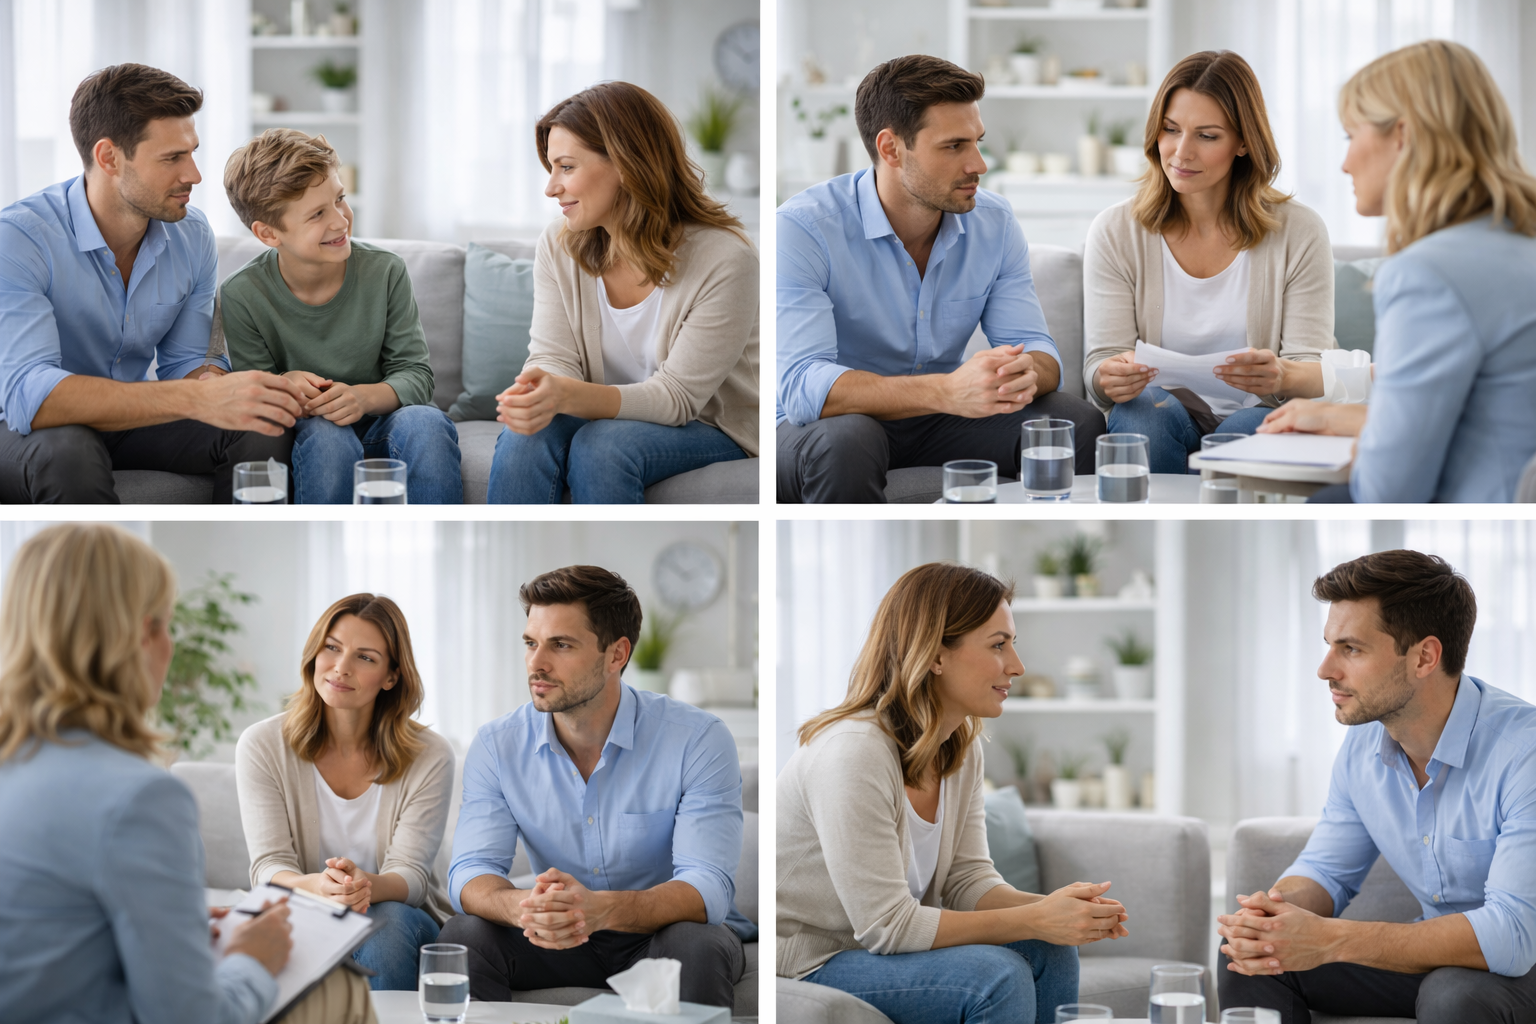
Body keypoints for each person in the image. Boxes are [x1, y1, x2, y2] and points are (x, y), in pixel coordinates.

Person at [0, 523, 374, 1024]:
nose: (170, 645)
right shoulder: (139, 798)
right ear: (138, 637)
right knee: (339, 986)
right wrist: (251, 959)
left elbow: (49, 931)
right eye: (165, 624)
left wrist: (177, 924)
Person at [777, 562, 1130, 1023]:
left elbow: (968, 882)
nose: (1017, 667)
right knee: (997, 975)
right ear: (936, 655)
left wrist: (1057, 911)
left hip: (874, 949)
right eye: (998, 645)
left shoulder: (959, 747)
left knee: (1052, 949)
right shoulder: (853, 753)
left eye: (1012, 645)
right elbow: (888, 925)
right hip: (812, 961)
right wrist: (1035, 917)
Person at [1217, 550, 1536, 1023]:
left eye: (1351, 649)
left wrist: (1330, 940)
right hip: (1435, 962)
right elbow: (1326, 870)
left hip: (1523, 962)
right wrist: (1274, 914)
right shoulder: (1363, 746)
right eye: (1328, 645)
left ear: (1424, 656)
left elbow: (1512, 934)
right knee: (1252, 957)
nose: (1325, 670)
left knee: (1454, 996)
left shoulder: (1523, 751)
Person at [776, 55, 1108, 503]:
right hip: (828, 427)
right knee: (849, 440)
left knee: (1073, 420)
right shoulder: (804, 227)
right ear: (891, 148)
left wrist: (1021, 372)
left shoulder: (994, 222)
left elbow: (1038, 348)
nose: (978, 164)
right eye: (954, 146)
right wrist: (948, 390)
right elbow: (802, 385)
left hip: (937, 421)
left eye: (977, 142)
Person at [442, 565, 751, 1006]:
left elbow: (707, 887)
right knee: (463, 934)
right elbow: (470, 871)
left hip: (661, 937)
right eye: (530, 643)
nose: (536, 663)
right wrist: (524, 908)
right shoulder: (497, 745)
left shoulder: (697, 738)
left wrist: (602, 909)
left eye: (561, 645)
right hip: (552, 941)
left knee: (693, 945)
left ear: (616, 655)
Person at [0, 64, 308, 503]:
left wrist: (230, 388)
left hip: (129, 418)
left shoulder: (192, 234)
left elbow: (186, 361)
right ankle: (102, 574)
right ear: (109, 157)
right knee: (70, 448)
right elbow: (34, 397)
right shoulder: (18, 237)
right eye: (172, 158)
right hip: (20, 427)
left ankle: (218, 564)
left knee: (261, 421)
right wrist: (191, 399)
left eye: (192, 152)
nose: (195, 175)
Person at [1259, 41, 1536, 502]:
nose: (1345, 163)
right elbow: (1490, 414)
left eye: (1351, 136)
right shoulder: (1519, 246)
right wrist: (1336, 416)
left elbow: (1390, 490)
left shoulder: (1428, 274)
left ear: (1403, 136)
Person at [485, 83, 757, 504]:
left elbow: (677, 398)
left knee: (605, 445)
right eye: (551, 168)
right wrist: (540, 389)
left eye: (567, 167)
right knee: (526, 436)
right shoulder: (559, 246)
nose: (551, 187)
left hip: (712, 425)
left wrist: (567, 394)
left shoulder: (726, 259)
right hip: (604, 415)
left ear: (627, 166)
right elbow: (553, 356)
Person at [1082, 50, 1336, 475]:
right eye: (1170, 129)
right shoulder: (1114, 231)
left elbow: (1311, 366)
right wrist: (1106, 378)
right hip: (1158, 412)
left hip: (1258, 414)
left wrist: (1282, 377)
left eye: (1207, 136)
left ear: (1242, 143)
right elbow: (1101, 360)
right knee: (1140, 414)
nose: (1181, 153)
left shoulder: (1300, 231)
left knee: (1245, 429)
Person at [221, 129, 464, 503]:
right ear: (268, 233)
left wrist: (362, 399)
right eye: (318, 213)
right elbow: (255, 394)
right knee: (328, 435)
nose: (340, 220)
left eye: (339, 199)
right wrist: (285, 382)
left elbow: (416, 375)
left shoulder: (386, 272)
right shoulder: (241, 295)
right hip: (314, 431)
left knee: (427, 423)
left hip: (387, 421)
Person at [236, 593, 455, 990]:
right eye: (332, 648)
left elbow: (412, 875)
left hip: (399, 919)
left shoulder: (430, 755)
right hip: (303, 909)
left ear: (391, 676)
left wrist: (362, 887)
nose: (340, 668)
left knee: (384, 925)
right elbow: (267, 868)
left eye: (365, 657)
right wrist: (320, 887)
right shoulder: (262, 744)